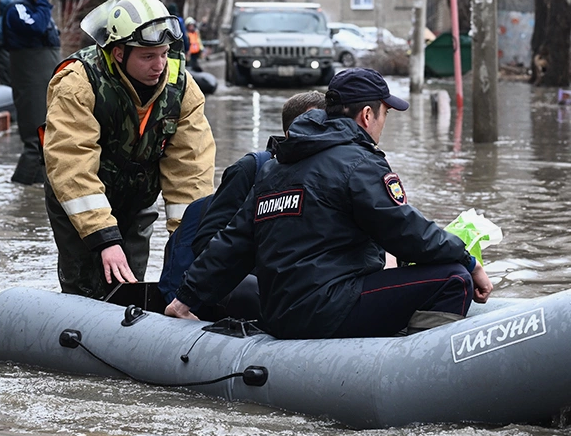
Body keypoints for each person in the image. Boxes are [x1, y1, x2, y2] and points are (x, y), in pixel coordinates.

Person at [166, 68, 493, 339]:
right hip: (328, 310)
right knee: (453, 278)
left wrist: (185, 300)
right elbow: (408, 232)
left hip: (279, 312)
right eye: (385, 113)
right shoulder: (359, 163)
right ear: (367, 115)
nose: (383, 123)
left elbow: (233, 243)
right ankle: (420, 371)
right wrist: (469, 261)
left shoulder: (275, 168)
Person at [43, 0, 216, 300]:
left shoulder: (181, 87)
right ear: (119, 53)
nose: (159, 65)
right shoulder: (78, 81)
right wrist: (104, 238)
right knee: (83, 288)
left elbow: (190, 170)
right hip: (80, 196)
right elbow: (72, 162)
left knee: (129, 287)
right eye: (148, 56)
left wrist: (188, 242)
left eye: (163, 54)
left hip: (137, 197)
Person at [158, 90, 327, 315]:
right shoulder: (250, 170)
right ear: (289, 132)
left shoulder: (326, 173)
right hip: (236, 281)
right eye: (313, 125)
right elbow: (207, 241)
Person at [5, 0, 61, 185]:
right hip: (30, 79)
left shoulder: (43, 10)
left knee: (50, 136)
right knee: (35, 138)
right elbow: (36, 28)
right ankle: (20, 189)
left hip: (47, 77)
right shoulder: (18, 8)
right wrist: (43, 3)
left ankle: (37, 190)